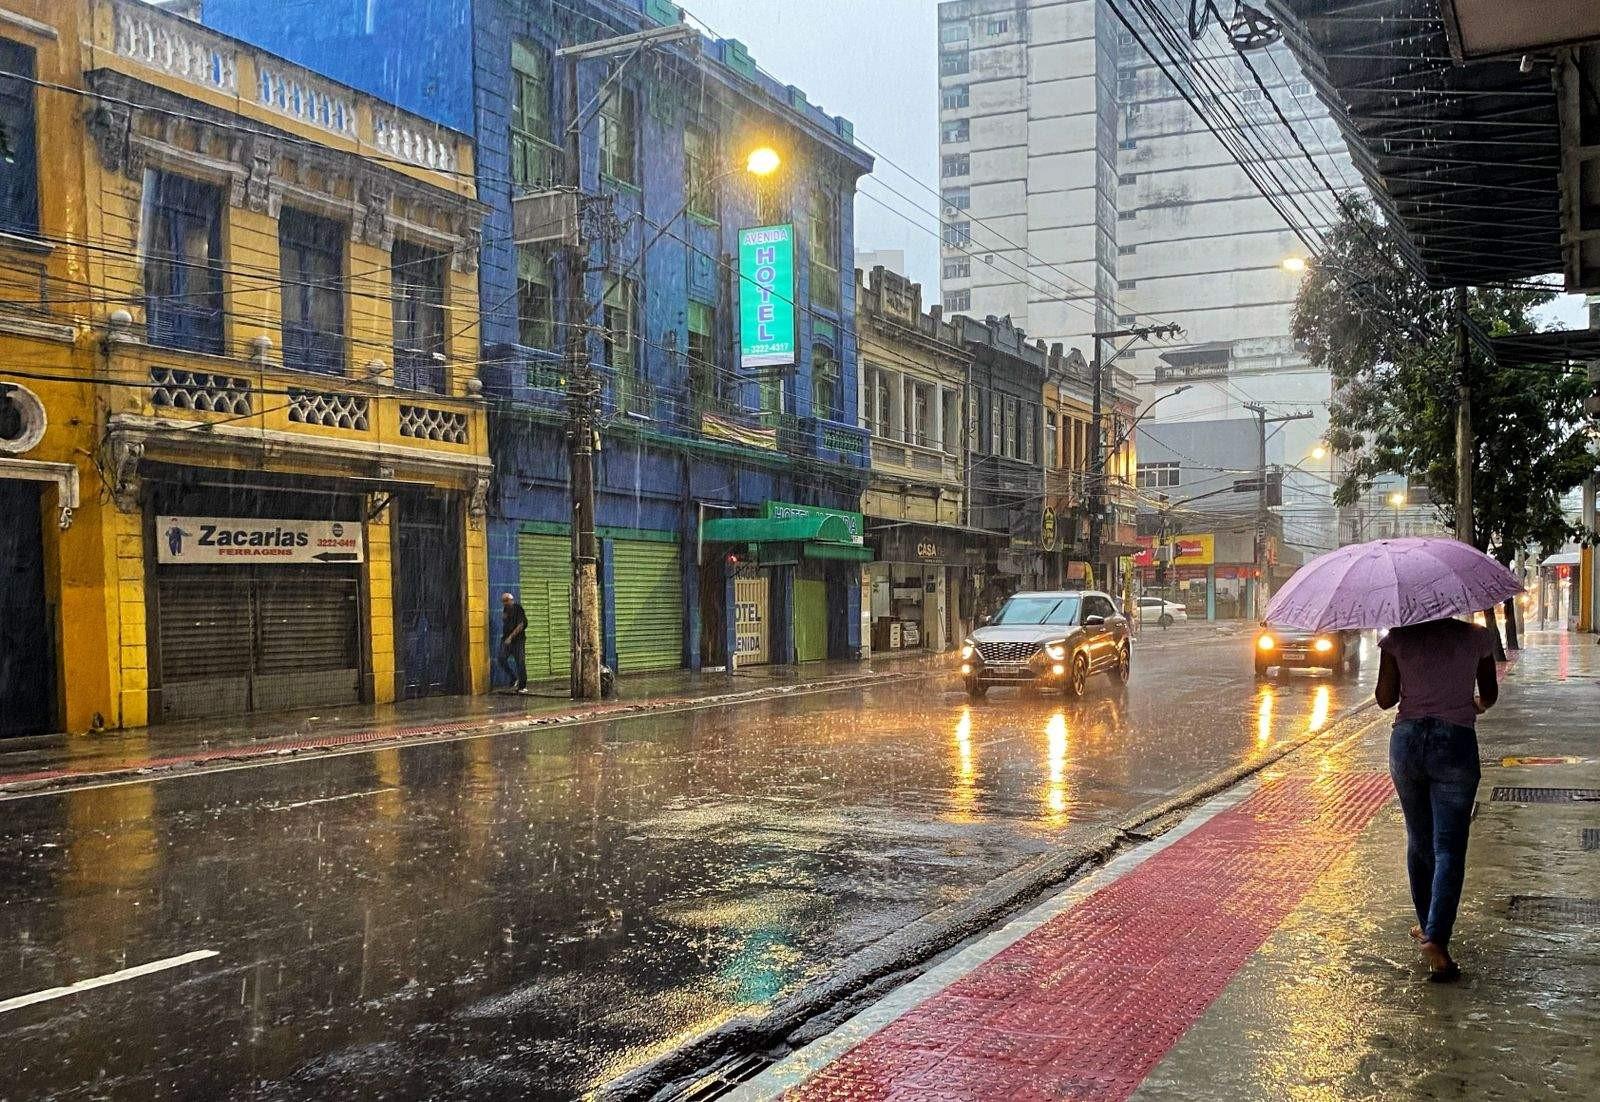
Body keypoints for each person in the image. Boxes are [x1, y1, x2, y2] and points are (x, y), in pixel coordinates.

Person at [1375, 614, 1499, 982]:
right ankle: (1437, 937)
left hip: (1407, 742)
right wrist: (1472, 704)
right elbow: (1489, 695)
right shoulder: (1478, 637)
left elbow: (1385, 699)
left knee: (1418, 839)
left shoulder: (1397, 638)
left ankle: (1428, 925)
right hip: (1455, 743)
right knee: (1449, 845)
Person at [498, 592, 528, 692]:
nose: (505, 603)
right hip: (506, 639)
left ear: (512, 600)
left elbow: (521, 625)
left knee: (520, 661)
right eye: (503, 601)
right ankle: (513, 677)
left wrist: (511, 637)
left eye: (507, 600)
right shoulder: (506, 609)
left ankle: (522, 686)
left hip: (517, 640)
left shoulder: (518, 609)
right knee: (501, 658)